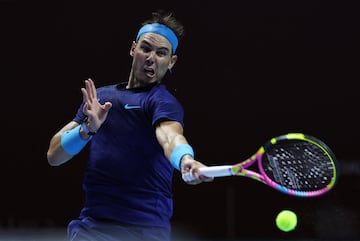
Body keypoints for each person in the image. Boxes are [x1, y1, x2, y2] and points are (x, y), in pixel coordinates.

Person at [46, 10, 213, 241]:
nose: (151, 58)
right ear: (133, 49)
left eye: (161, 53)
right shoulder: (100, 99)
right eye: (146, 48)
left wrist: (185, 159)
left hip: (144, 232)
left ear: (171, 61)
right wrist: (86, 130)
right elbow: (54, 156)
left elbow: (170, 137)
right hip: (93, 228)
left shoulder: (161, 101)